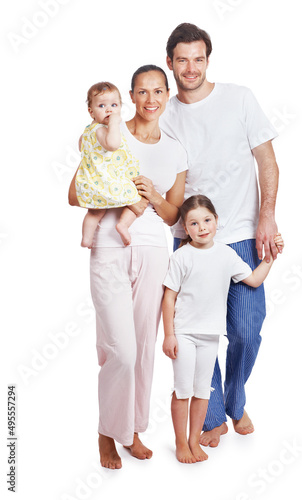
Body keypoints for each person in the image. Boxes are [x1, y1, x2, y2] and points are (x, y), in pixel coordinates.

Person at [160, 23, 280, 445]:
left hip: (243, 232)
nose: (190, 68)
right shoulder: (166, 113)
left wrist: (267, 215)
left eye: (198, 59)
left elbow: (266, 159)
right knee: (195, 330)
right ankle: (212, 416)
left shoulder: (239, 98)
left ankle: (234, 399)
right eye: (182, 60)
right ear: (170, 63)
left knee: (246, 331)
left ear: (208, 59)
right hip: (189, 237)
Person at [68, 65, 188, 469]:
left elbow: (174, 215)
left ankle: (133, 430)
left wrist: (152, 193)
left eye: (158, 91)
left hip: (155, 246)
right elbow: (74, 192)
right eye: (142, 92)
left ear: (167, 95)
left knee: (143, 349)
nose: (150, 100)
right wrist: (114, 192)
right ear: (131, 97)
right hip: (109, 241)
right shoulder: (109, 133)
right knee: (120, 348)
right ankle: (107, 433)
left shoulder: (175, 148)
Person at [162, 195, 284, 464]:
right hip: (183, 333)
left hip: (209, 336)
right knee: (183, 390)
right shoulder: (181, 256)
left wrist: (270, 257)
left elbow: (252, 280)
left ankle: (194, 440)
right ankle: (181, 443)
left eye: (207, 220)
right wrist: (169, 334)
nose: (202, 227)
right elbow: (169, 297)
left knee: (203, 391)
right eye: (193, 223)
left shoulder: (227, 255)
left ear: (217, 221)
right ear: (185, 227)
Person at [76, 81, 145, 248]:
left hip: (94, 182)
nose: (109, 110)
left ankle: (86, 238)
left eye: (114, 105)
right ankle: (123, 224)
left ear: (120, 107)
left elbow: (82, 148)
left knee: (95, 211)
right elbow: (113, 145)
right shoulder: (101, 130)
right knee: (138, 199)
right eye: (102, 105)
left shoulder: (87, 131)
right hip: (109, 181)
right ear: (91, 112)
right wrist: (114, 123)